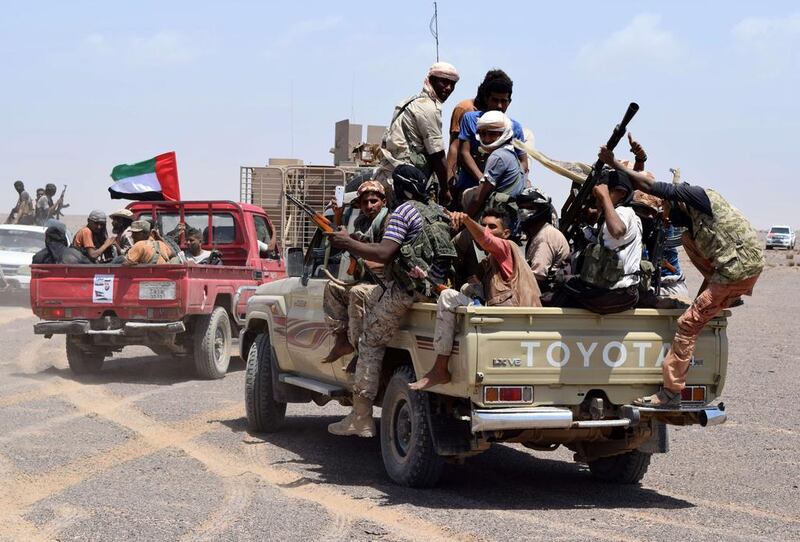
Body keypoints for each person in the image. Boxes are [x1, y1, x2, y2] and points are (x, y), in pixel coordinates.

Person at [599, 145, 764, 408]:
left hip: (735, 271)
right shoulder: (693, 222)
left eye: (666, 208)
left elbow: (652, 186)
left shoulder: (694, 195)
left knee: (688, 324)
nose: (665, 214)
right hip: (740, 267)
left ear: (677, 201)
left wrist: (616, 164)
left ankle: (671, 392)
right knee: (688, 239)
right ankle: (724, 299)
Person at [324, 165, 456, 437]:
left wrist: (348, 243)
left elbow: (384, 253)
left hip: (407, 290)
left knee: (371, 341)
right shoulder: (438, 211)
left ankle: (360, 416)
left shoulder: (403, 212)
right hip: (435, 289)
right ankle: (356, 364)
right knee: (360, 295)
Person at [410, 207, 542, 390]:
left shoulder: (507, 247)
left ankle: (440, 368)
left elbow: (486, 239)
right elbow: (466, 291)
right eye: (483, 225)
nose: (486, 229)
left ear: (506, 233)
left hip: (514, 321)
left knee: (450, 295)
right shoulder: (489, 262)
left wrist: (466, 219)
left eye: (492, 226)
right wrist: (427, 278)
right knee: (464, 289)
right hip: (502, 320)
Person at [551, 169, 642, 314]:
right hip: (622, 292)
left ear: (621, 193)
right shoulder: (627, 215)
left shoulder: (623, 212)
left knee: (562, 284)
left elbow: (618, 230)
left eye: (601, 194)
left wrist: (604, 197)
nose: (597, 200)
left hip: (615, 294)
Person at [322, 180, 389, 365]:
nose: (369, 206)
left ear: (383, 201)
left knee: (356, 294)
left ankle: (360, 353)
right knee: (332, 288)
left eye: (374, 201)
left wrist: (360, 255)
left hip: (384, 282)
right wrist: (338, 217)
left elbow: (385, 254)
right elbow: (347, 243)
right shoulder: (361, 222)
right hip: (366, 279)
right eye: (364, 202)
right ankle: (342, 341)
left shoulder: (387, 221)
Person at [374, 62, 459, 205]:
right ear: (431, 80)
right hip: (406, 182)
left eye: (452, 84)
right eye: (443, 82)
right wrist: (445, 190)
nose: (448, 88)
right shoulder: (428, 108)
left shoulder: (409, 102)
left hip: (392, 176)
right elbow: (437, 155)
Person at [455, 70, 528, 194]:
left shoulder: (514, 127)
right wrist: (483, 182)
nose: (499, 106)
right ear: (486, 99)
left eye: (504, 101)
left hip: (501, 194)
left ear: (509, 102)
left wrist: (510, 183)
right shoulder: (470, 119)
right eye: (495, 100)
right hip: (469, 189)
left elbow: (523, 162)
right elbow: (464, 153)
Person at [461, 111, 527, 217]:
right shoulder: (510, 153)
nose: (486, 139)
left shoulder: (498, 157)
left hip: (499, 218)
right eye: (482, 133)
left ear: (504, 133)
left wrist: (464, 221)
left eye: (492, 134)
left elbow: (478, 198)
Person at [519, 190, 571, 289]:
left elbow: (537, 278)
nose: (523, 211)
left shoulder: (545, 237)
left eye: (529, 208)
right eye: (521, 207)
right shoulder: (537, 234)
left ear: (541, 210)